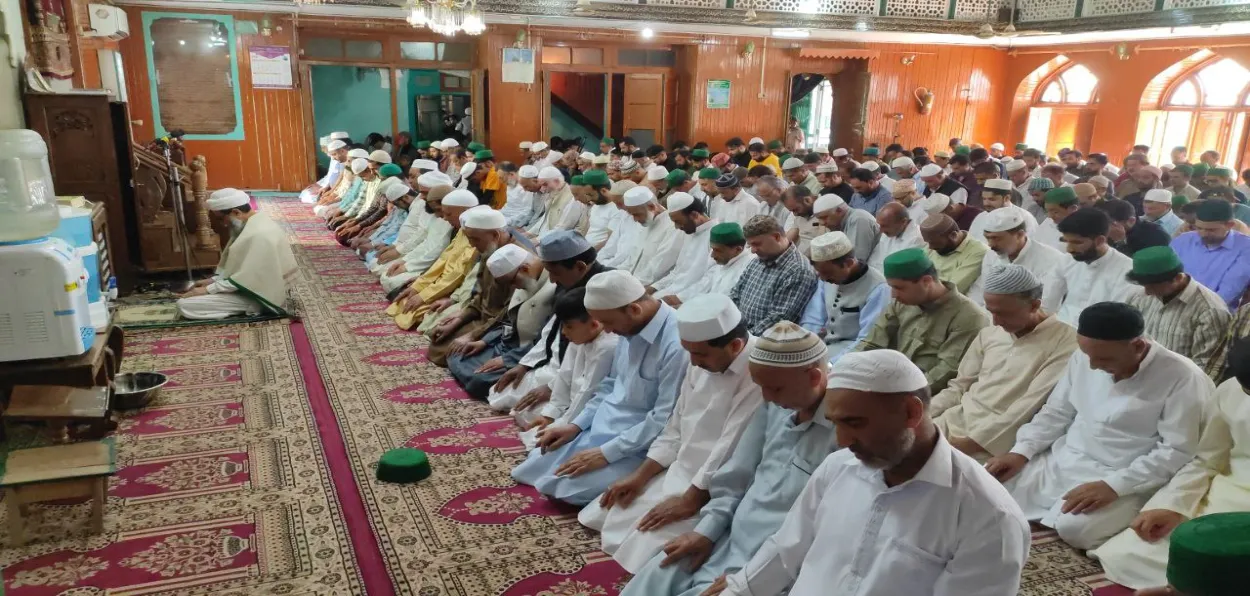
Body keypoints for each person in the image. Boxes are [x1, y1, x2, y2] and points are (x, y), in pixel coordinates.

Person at [710, 350, 1030, 596]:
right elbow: (786, 548)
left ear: (911, 413)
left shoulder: (988, 517)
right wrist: (738, 590)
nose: (842, 441)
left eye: (855, 423)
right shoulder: (838, 468)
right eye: (836, 423)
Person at [619, 323, 836, 596]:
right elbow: (736, 475)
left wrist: (751, 578)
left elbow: (820, 533)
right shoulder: (774, 406)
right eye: (761, 388)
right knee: (654, 574)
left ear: (814, 377)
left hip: (774, 564)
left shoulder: (846, 434)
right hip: (729, 538)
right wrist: (707, 532)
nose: (766, 397)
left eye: (775, 389)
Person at [986, 301, 1211, 551]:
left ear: (1137, 345)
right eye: (1088, 356)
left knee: (1075, 530)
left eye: (1102, 358)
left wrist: (1114, 486)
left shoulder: (1183, 377)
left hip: (1126, 474)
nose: (1092, 366)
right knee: (987, 485)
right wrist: (1022, 451)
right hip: (1065, 459)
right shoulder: (1086, 356)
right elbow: (1057, 412)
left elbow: (1177, 451)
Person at [580, 295, 762, 572]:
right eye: (689, 352)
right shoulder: (699, 359)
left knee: (647, 547)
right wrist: (641, 475)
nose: (693, 362)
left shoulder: (758, 371)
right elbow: (676, 425)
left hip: (715, 485)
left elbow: (730, 445)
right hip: (682, 467)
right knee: (611, 512)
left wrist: (691, 500)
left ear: (736, 345)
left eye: (699, 354)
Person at [511, 270, 688, 505]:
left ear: (634, 310)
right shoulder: (630, 327)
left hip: (637, 444)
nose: (605, 330)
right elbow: (609, 387)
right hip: (601, 427)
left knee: (564, 489)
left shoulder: (677, 345)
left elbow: (663, 418)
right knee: (530, 467)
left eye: (608, 322)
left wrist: (607, 453)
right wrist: (574, 426)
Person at [1091, 338, 1250, 590]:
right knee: (1130, 554)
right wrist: (1173, 505)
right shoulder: (1232, 389)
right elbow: (1207, 459)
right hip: (1227, 497)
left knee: (1222, 571)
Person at [930, 265, 1077, 463]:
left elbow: (1030, 405)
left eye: (1004, 313)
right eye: (991, 312)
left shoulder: (1066, 342)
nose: (996, 321)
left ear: (1034, 305)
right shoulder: (990, 334)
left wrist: (973, 443)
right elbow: (958, 387)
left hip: (996, 438)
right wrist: (924, 415)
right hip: (955, 418)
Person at [487, 231, 611, 414]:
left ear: (579, 266)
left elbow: (599, 350)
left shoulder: (606, 287)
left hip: (585, 372)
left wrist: (554, 387)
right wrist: (524, 364)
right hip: (557, 363)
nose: (552, 280)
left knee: (531, 412)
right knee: (500, 394)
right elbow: (552, 326)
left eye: (555, 273)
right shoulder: (568, 282)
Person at [852, 248, 989, 392]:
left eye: (899, 288)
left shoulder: (969, 317)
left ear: (926, 281)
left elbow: (945, 373)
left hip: (926, 393)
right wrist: (847, 367)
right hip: (892, 381)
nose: (893, 295)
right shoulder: (902, 303)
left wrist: (898, 393)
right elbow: (872, 342)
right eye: (891, 287)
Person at [508, 287, 620, 449]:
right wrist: (550, 414)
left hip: (590, 414)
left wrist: (564, 424)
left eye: (568, 327)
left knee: (541, 447)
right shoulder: (582, 336)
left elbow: (588, 392)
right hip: (571, 407)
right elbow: (564, 375)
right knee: (528, 413)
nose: (563, 332)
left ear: (594, 325)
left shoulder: (607, 347)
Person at [428, 210, 539, 367]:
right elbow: (480, 292)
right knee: (438, 336)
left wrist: (474, 335)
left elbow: (510, 311)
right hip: (483, 318)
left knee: (454, 354)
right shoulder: (490, 249)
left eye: (474, 239)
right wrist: (460, 319)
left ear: (495, 235)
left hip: (499, 326)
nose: (472, 244)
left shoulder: (519, 259)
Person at [177, 189, 296, 320]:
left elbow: (246, 279)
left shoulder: (258, 235)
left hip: (260, 295)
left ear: (236, 212)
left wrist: (207, 290)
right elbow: (242, 270)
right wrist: (211, 281)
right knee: (198, 296)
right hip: (257, 286)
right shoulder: (254, 223)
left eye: (221, 218)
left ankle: (254, 309)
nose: (223, 224)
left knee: (184, 305)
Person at [386, 190, 484, 330]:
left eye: (448, 214)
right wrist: (419, 285)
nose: (444, 218)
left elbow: (459, 273)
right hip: (443, 283)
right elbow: (444, 259)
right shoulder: (463, 227)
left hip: (458, 288)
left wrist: (425, 295)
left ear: (465, 211)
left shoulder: (476, 231)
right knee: (404, 302)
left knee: (420, 317)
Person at [1123, 246, 1231, 372]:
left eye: (1153, 286)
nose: (1147, 292)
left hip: (1181, 384)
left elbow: (1207, 366)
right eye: (1144, 285)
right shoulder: (1138, 296)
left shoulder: (1209, 310)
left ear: (1178, 278)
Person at [1043, 207, 1134, 327]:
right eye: (1066, 241)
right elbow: (1047, 304)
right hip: (1061, 331)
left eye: (1077, 242)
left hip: (1099, 336)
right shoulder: (1066, 260)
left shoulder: (1127, 270)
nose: (1069, 249)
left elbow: (1116, 319)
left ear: (1100, 240)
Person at [731, 215, 820, 335]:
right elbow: (736, 294)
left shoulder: (798, 271)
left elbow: (777, 322)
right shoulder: (758, 260)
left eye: (757, 244)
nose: (753, 250)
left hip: (764, 342)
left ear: (777, 237)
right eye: (750, 245)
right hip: (739, 331)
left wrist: (741, 339)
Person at [810, 231, 888, 363]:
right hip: (823, 347)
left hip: (854, 355)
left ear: (849, 263)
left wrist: (832, 365)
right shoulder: (827, 279)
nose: (823, 278)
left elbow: (867, 340)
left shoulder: (878, 288)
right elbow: (814, 317)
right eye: (820, 273)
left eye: (827, 273)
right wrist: (806, 343)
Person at [1171, 200, 1250, 310]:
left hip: (1215, 312)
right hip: (1173, 306)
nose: (1203, 234)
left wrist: (1191, 310)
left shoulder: (1245, 247)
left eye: (1211, 230)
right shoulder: (1183, 241)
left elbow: (1228, 293)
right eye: (1199, 228)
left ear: (1230, 225)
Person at [379, 184, 456, 295]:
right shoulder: (436, 215)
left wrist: (408, 266)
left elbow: (437, 251)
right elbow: (425, 242)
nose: (420, 197)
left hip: (433, 267)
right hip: (420, 261)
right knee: (387, 275)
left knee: (393, 281)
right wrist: (404, 261)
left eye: (424, 193)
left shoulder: (450, 220)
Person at [979, 209, 1066, 305]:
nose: (990, 244)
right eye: (988, 238)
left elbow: (1045, 306)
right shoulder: (991, 254)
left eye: (997, 238)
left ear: (1020, 235)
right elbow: (984, 294)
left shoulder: (1052, 259)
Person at [667, 222, 756, 307]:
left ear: (738, 249)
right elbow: (703, 286)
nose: (712, 255)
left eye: (718, 250)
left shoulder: (750, 268)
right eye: (712, 249)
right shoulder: (722, 262)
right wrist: (678, 300)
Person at [651, 194, 717, 300]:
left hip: (691, 299)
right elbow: (677, 271)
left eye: (678, 221)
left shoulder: (715, 236)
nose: (676, 227)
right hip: (671, 292)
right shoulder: (690, 233)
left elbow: (710, 280)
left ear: (695, 215)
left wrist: (679, 298)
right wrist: (654, 287)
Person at [618, 186, 687, 285]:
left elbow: (659, 265)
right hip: (631, 282)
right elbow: (631, 260)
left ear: (651, 207)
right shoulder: (646, 222)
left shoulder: (673, 227)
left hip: (650, 287)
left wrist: (631, 286)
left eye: (637, 214)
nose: (635, 219)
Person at [921, 213, 988, 297]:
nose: (930, 247)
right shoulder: (934, 244)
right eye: (928, 242)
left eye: (934, 243)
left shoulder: (978, 251)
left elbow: (951, 289)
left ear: (953, 235)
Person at [968, 178, 1038, 244]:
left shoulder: (1024, 217)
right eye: (984, 199)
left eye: (992, 199)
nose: (986, 203)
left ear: (1007, 198)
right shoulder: (980, 217)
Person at [867, 201, 924, 271]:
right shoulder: (888, 232)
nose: (881, 230)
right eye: (880, 225)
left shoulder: (916, 239)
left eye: (885, 226)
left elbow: (901, 270)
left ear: (903, 222)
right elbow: (874, 261)